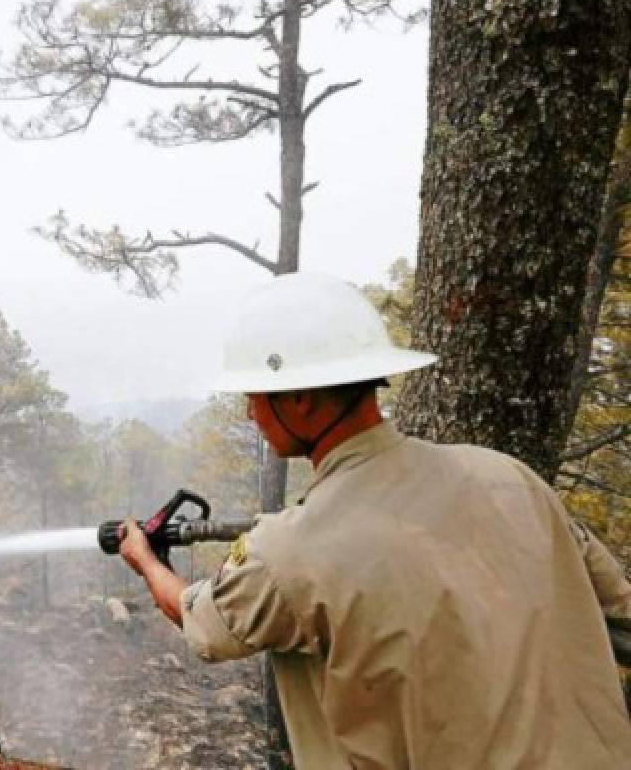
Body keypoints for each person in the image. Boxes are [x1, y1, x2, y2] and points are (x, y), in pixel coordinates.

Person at [118, 272, 631, 769]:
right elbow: (617, 610)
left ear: (298, 398)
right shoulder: (510, 478)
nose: (251, 413)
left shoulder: (291, 551)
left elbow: (200, 623)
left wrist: (144, 559)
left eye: (254, 395)